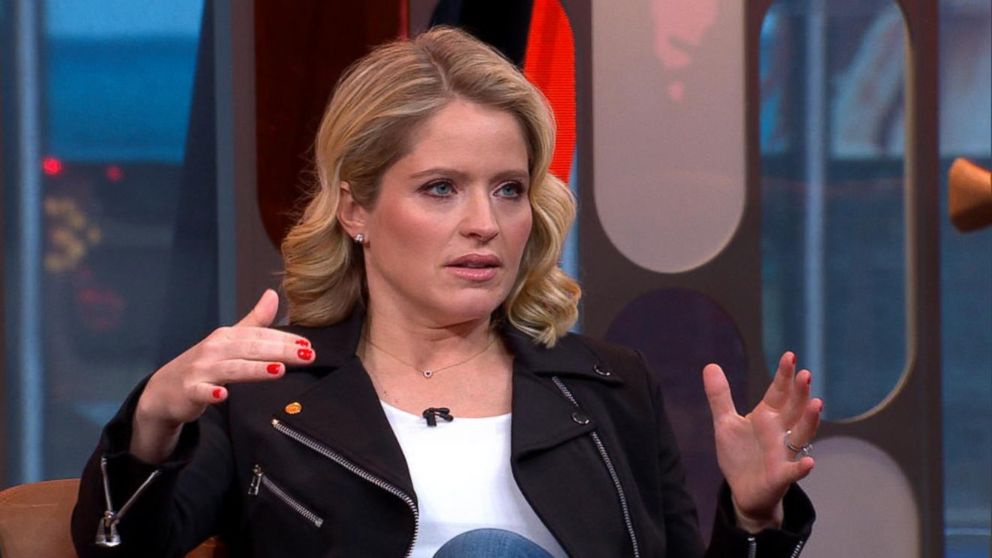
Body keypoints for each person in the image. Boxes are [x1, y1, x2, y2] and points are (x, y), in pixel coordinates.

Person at [71, 26, 822, 558]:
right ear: (356, 209)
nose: (484, 224)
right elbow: (118, 547)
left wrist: (754, 520)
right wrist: (152, 425)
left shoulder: (609, 389)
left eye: (509, 190)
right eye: (440, 188)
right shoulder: (266, 397)